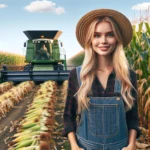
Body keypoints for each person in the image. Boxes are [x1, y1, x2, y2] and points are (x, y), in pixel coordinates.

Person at [62, 8, 141, 150]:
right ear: (90, 40)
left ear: (117, 39)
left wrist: (132, 144)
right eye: (97, 35)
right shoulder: (77, 75)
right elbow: (68, 116)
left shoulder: (128, 76)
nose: (103, 41)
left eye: (110, 35)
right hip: (85, 147)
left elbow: (133, 118)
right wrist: (74, 146)